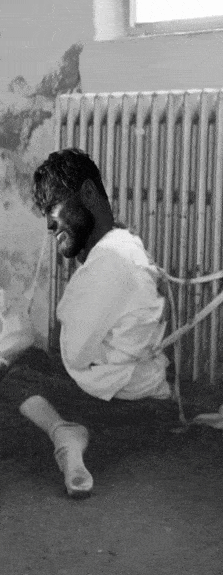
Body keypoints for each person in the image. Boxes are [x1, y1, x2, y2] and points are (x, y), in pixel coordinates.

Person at [0, 148, 174, 499]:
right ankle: (66, 431)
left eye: (53, 207)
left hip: (128, 412)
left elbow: (75, 357)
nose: (50, 225)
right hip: (149, 398)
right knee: (31, 359)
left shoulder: (106, 263)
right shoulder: (126, 245)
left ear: (89, 194)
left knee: (14, 382)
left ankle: (64, 432)